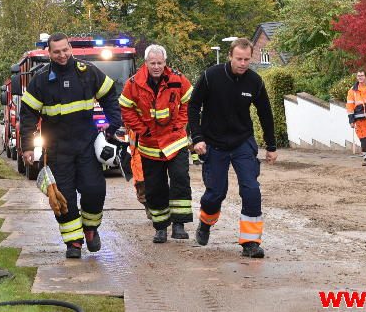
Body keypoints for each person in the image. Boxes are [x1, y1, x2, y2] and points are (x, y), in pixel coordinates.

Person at [19, 32, 122, 258]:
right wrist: (27, 146)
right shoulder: (41, 81)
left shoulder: (87, 73)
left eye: (65, 50)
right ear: (50, 53)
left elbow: (109, 94)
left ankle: (91, 230)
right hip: (57, 151)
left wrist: (113, 126)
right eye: (57, 52)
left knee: (94, 190)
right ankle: (73, 243)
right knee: (63, 197)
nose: (62, 55)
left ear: (70, 48)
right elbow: (27, 114)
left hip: (87, 145)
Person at [188, 38, 278, 259]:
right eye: (239, 59)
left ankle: (250, 242)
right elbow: (193, 105)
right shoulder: (211, 76)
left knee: (251, 190)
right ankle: (205, 223)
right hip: (214, 143)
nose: (243, 63)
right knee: (215, 194)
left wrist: (271, 145)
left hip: (242, 142)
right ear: (230, 56)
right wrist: (197, 137)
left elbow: (265, 113)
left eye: (247, 59)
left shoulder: (255, 82)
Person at [119, 44, 194, 243]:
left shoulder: (177, 79)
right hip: (149, 144)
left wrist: (180, 125)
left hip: (175, 142)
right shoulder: (134, 84)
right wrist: (142, 130)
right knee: (154, 187)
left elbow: (189, 102)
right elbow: (126, 109)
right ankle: (160, 227)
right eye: (152, 63)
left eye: (160, 63)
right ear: (146, 63)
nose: (156, 66)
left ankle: (179, 224)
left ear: (165, 63)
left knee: (180, 180)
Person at [346, 69, 366, 166]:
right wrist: (351, 120)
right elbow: (350, 106)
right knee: (363, 138)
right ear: (356, 77)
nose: (360, 77)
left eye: (362, 75)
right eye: (358, 76)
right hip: (359, 119)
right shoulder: (352, 91)